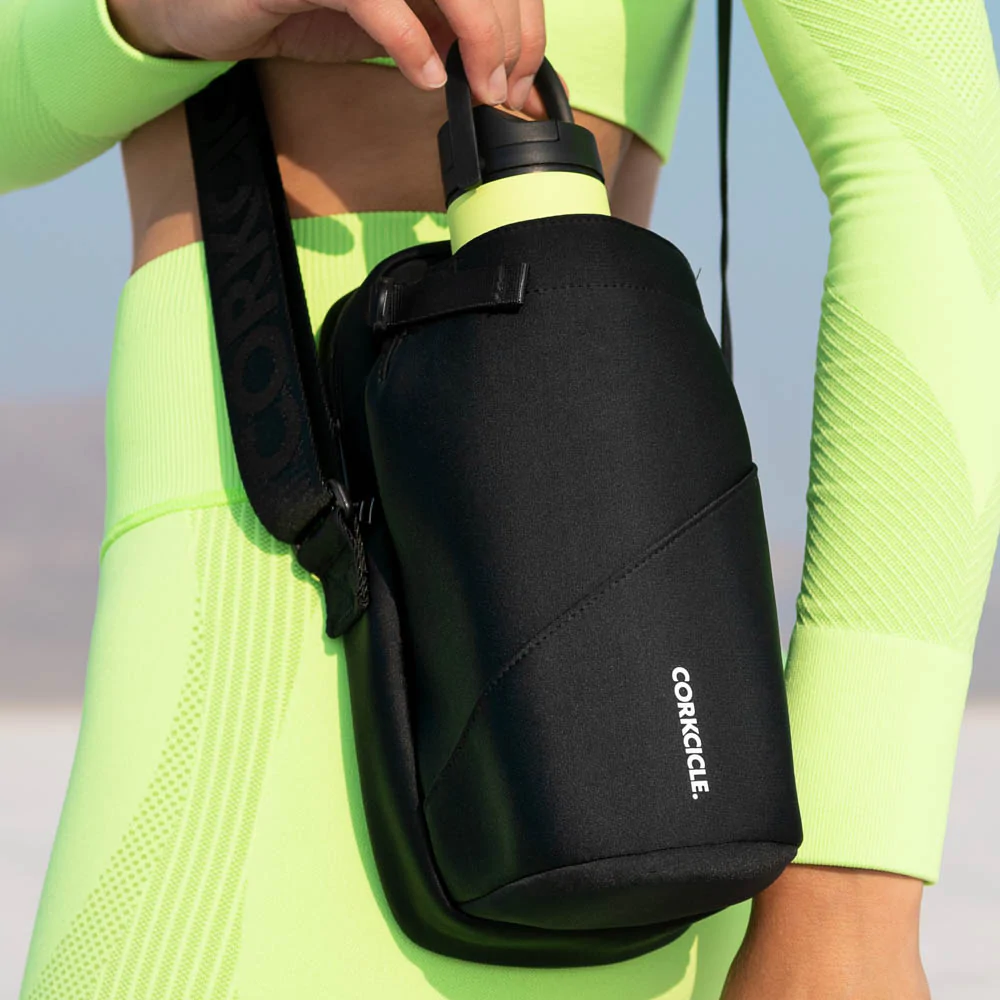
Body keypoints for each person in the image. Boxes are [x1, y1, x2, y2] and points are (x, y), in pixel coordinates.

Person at [4, 0, 998, 997]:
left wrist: (849, 894)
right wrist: (141, 14)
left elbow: (930, 151)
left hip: (583, 762)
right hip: (204, 750)